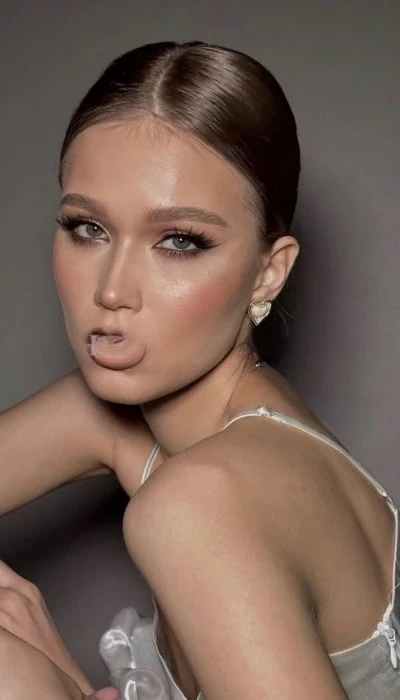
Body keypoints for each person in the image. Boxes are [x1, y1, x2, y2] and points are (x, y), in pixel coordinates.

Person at [0, 39, 399, 700]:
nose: (112, 290)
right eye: (87, 228)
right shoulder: (152, 423)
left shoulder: (200, 504)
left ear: (268, 272)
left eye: (180, 241)